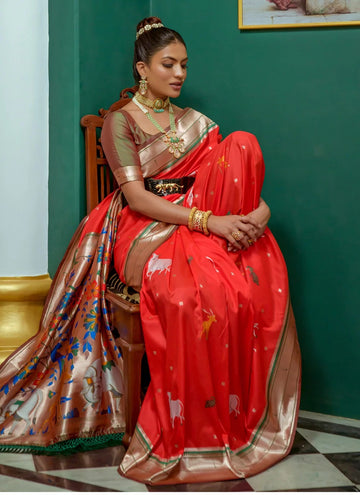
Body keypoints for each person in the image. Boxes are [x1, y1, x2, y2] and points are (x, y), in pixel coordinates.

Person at [0, 16, 301, 485]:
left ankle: (233, 419)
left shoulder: (196, 123)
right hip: (144, 224)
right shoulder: (120, 122)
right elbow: (137, 198)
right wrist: (209, 221)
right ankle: (185, 425)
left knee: (237, 276)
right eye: (169, 64)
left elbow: (236, 186)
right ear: (143, 68)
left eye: (184, 64)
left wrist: (257, 219)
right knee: (186, 293)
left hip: (201, 219)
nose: (180, 73)